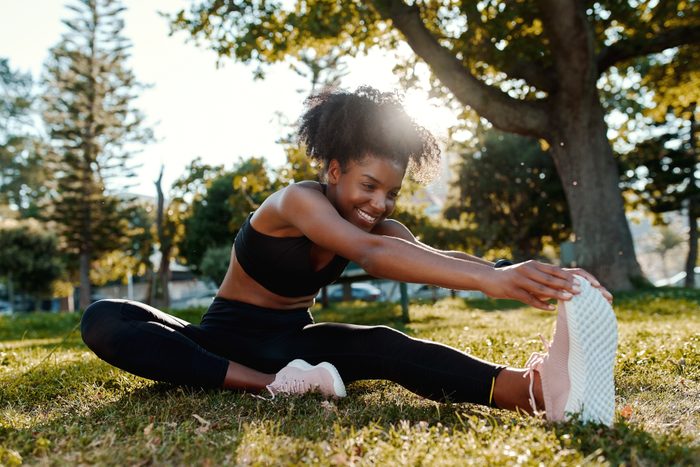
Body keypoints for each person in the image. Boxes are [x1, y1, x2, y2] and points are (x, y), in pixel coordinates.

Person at [81, 86, 617, 424]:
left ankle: (534, 390)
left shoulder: (383, 225)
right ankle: (273, 388)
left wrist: (519, 273)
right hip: (221, 343)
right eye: (367, 184)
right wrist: (491, 284)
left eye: (389, 192)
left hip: (298, 347)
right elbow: (367, 253)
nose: (377, 203)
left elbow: (429, 254)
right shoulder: (296, 201)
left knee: (385, 344)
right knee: (105, 318)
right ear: (333, 169)